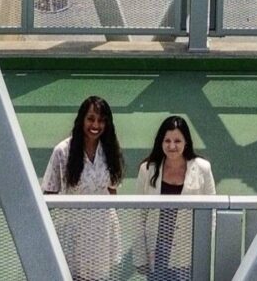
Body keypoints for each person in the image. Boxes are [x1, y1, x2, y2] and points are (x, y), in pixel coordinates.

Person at [42, 96, 124, 281]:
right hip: (72, 229)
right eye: (91, 119)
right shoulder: (62, 151)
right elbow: (49, 192)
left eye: (102, 120)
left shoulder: (111, 150)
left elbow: (112, 189)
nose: (96, 125)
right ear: (81, 120)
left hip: (103, 228)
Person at [133, 116, 215, 281]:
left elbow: (212, 213)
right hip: (156, 254)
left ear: (186, 142)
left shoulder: (202, 168)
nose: (172, 146)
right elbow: (138, 216)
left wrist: (203, 250)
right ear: (160, 142)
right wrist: (140, 257)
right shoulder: (147, 169)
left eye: (177, 141)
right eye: (167, 141)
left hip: (188, 254)